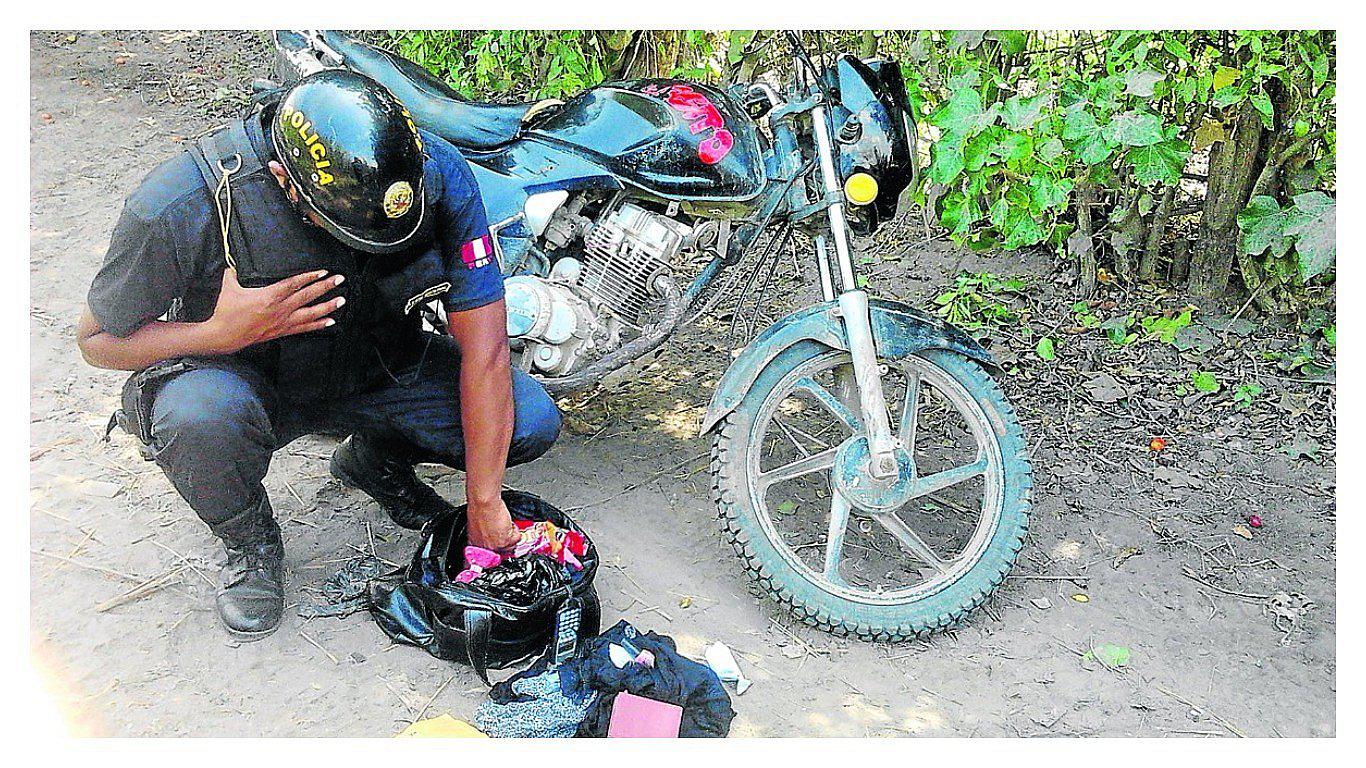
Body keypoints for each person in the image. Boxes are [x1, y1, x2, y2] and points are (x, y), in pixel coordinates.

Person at [76, 69, 561, 640]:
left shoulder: (435, 173)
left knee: (527, 421)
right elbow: (95, 341)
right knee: (195, 416)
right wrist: (221, 333)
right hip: (250, 383)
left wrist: (484, 499)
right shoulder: (182, 202)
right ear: (285, 182)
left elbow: (486, 353)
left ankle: (373, 460)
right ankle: (251, 544)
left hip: (376, 368)